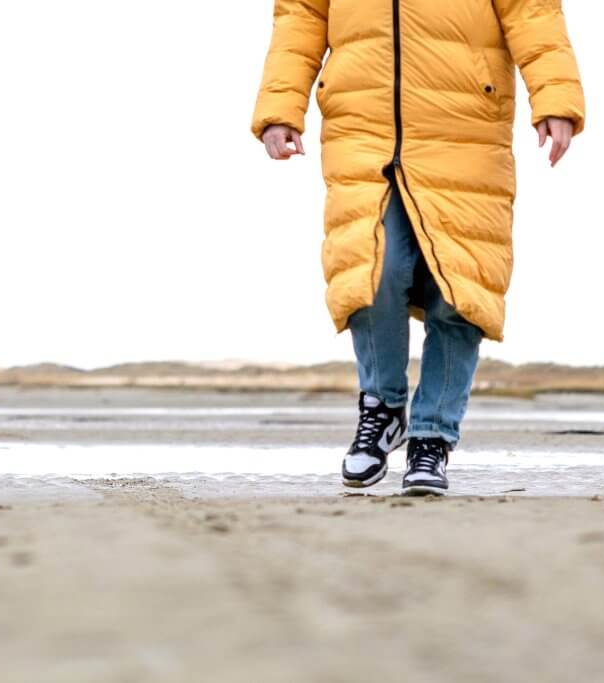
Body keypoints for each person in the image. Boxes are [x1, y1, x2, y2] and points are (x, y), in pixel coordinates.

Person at [250, 0, 585, 495]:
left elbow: (533, 13)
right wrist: (281, 109)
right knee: (370, 265)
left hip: (466, 128)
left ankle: (432, 435)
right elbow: (300, 16)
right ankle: (382, 406)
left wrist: (555, 98)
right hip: (362, 126)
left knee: (460, 287)